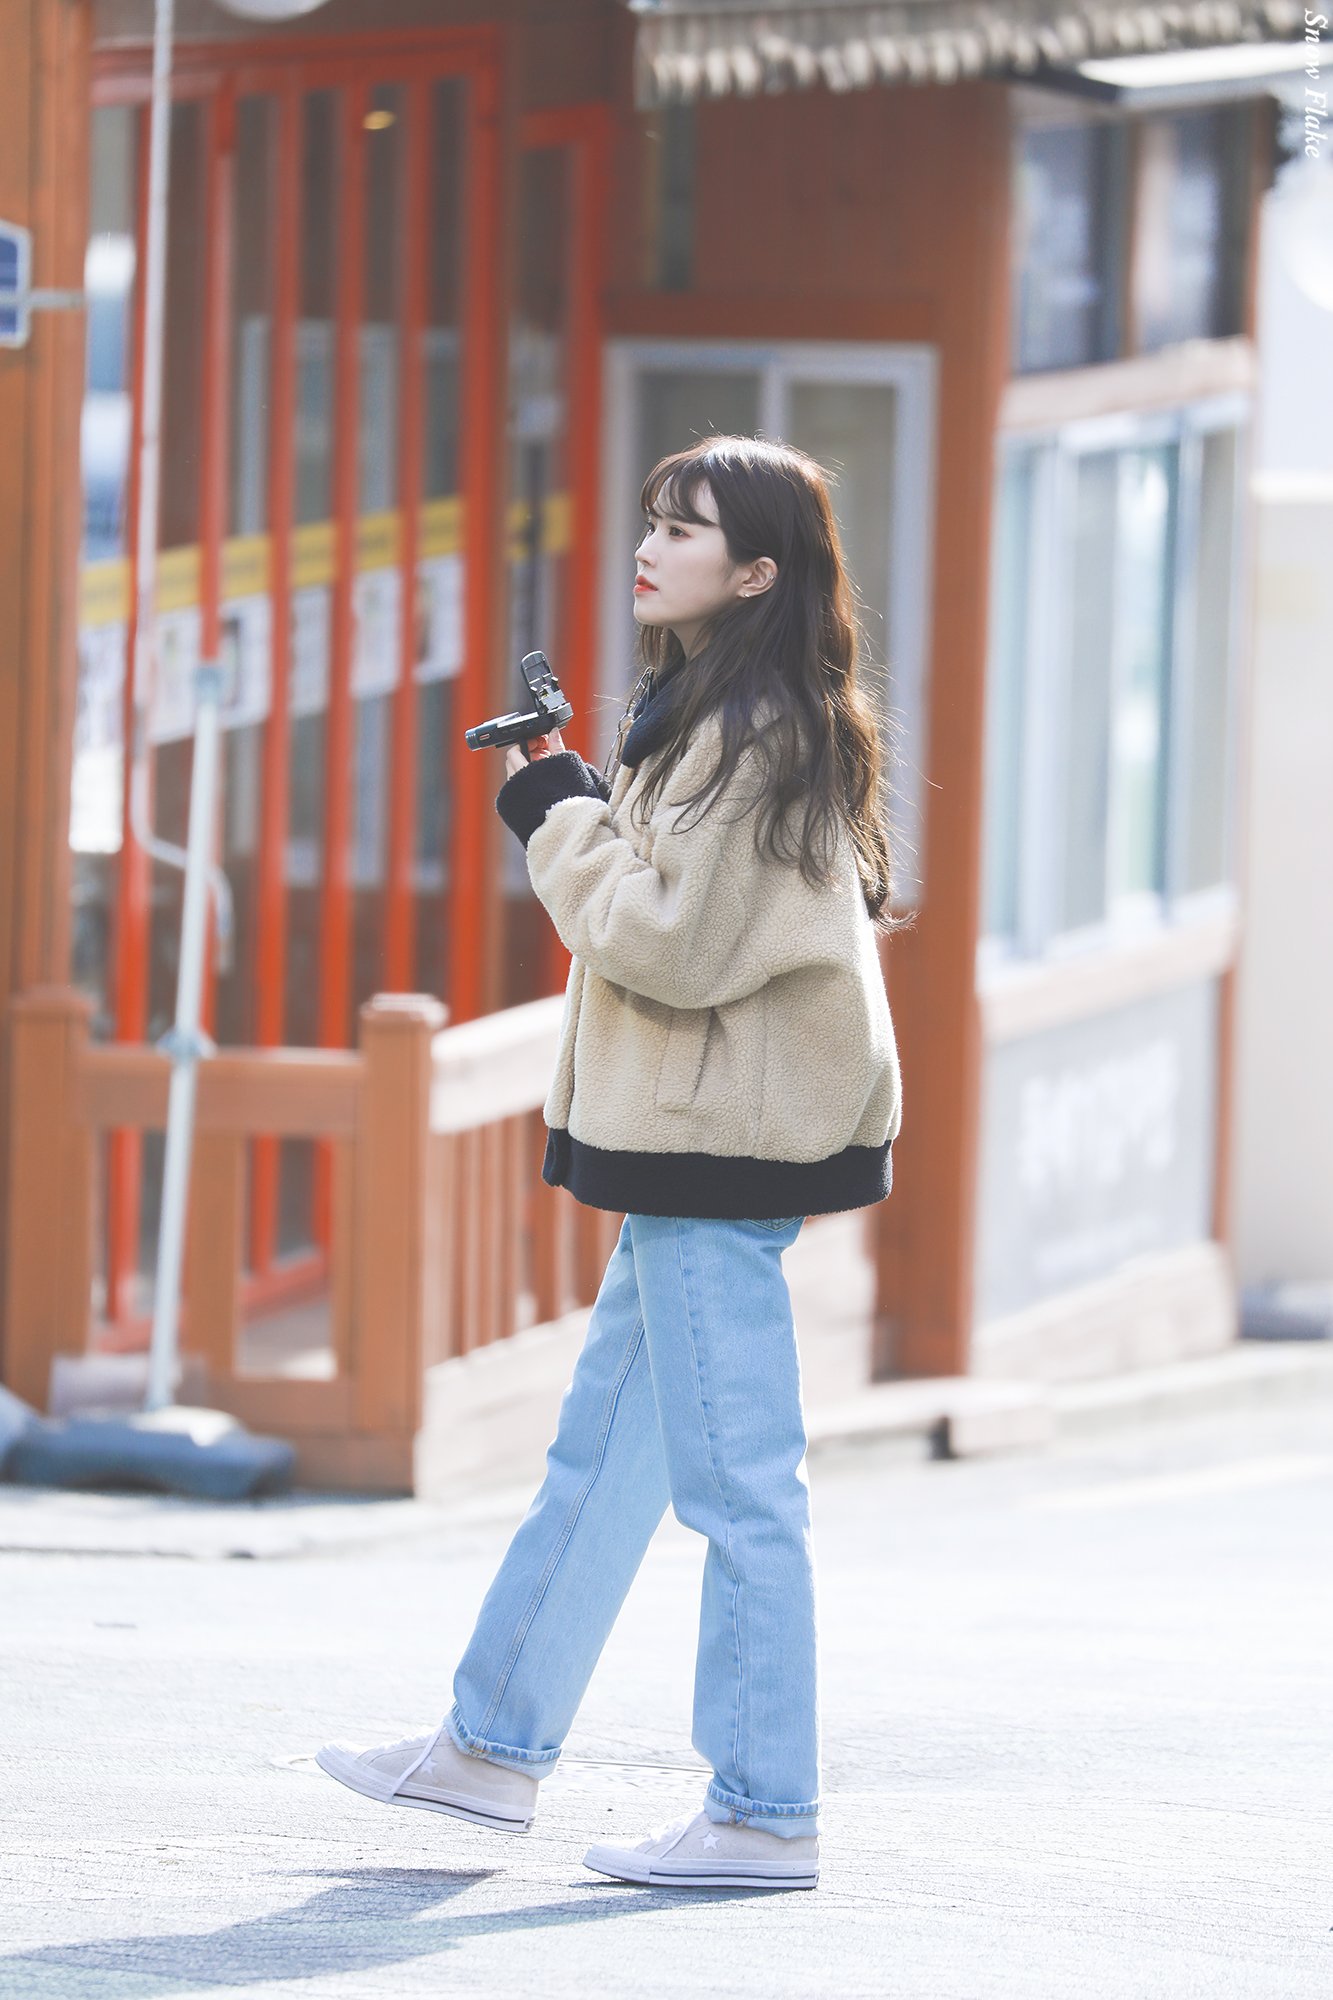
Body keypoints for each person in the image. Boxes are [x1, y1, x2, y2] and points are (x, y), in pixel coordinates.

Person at [316, 433, 905, 1892]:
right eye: (653, 519)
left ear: (756, 573)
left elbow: (667, 943)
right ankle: (488, 1751)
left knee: (741, 1492)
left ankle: (763, 1812)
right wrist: (572, 784)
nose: (651, 545)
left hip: (720, 1149)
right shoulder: (711, 710)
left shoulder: (758, 731)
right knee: (600, 1464)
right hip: (691, 1143)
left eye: (686, 529)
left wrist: (554, 810)